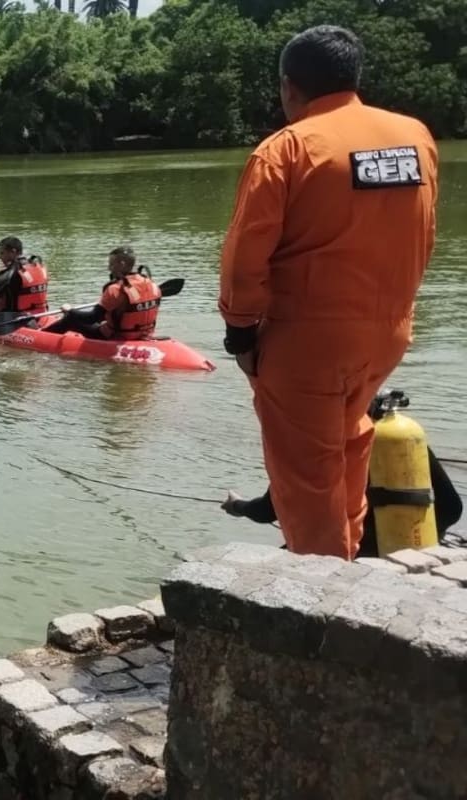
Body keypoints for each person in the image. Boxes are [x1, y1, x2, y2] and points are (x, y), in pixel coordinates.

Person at [217, 25, 439, 560]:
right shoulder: (415, 137)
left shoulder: (287, 149)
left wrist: (240, 335)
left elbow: (245, 260)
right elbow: (425, 233)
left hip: (306, 345)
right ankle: (349, 562)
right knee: (349, 450)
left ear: (289, 87)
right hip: (386, 335)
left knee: (307, 485)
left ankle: (322, 613)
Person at [221, 390, 463, 557]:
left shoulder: (314, 448)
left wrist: (237, 506)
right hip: (410, 550)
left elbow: (266, 511)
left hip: (346, 557)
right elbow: (452, 508)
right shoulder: (402, 439)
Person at [43, 246, 161, 339]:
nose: (109, 268)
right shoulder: (151, 284)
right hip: (142, 334)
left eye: (111, 264)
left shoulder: (114, 289)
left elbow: (92, 318)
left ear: (122, 264)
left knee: (71, 319)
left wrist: (70, 311)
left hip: (115, 335)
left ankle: (39, 337)